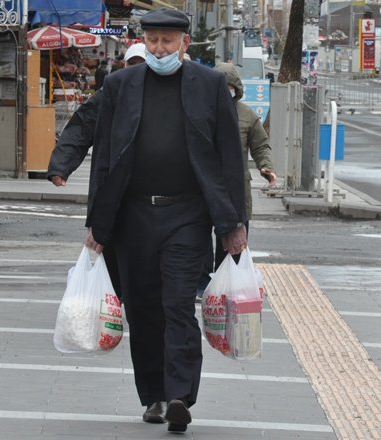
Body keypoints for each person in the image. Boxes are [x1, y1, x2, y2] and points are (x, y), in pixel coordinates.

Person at [84, 9, 247, 433]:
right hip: (133, 214)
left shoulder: (210, 86)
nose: (159, 49)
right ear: (144, 42)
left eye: (167, 42)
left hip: (188, 214)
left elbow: (231, 158)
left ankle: (179, 396)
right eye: (153, 41)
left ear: (184, 44)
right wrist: (96, 224)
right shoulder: (119, 85)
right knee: (142, 309)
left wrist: (234, 223)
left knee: (177, 304)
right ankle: (154, 395)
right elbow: (104, 156)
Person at [198, 62, 277, 291]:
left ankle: (227, 286)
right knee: (200, 238)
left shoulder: (246, 115)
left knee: (232, 241)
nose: (225, 90)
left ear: (236, 88)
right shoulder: (201, 111)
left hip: (236, 188)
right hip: (204, 186)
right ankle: (202, 284)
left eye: (229, 86)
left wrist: (266, 168)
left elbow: (261, 145)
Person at [46, 42, 147, 187]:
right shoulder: (109, 94)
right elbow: (81, 127)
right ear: (125, 65)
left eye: (142, 63)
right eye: (133, 63)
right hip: (112, 177)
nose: (137, 68)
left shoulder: (160, 94)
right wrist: (60, 167)